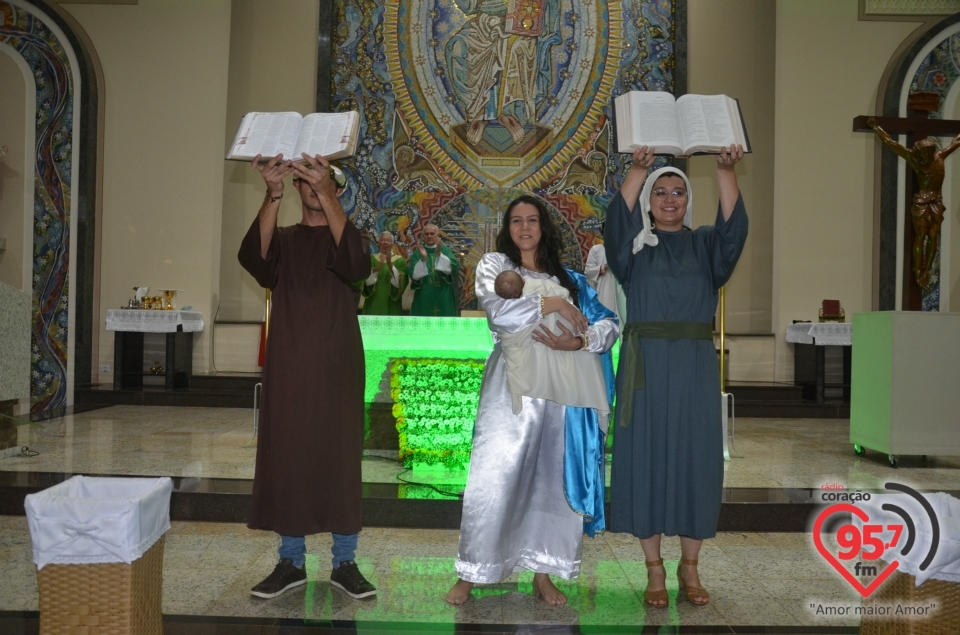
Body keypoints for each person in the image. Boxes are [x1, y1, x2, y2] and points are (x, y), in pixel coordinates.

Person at [446, 195, 619, 607]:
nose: (525, 228)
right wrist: (552, 303)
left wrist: (577, 340)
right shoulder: (495, 267)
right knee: (496, 476)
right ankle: (472, 573)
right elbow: (499, 315)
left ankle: (543, 573)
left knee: (550, 483)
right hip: (513, 388)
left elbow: (610, 324)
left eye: (533, 220)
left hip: (564, 393)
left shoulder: (574, 279)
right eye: (517, 221)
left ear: (544, 227)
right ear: (508, 229)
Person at [605, 144, 747, 608]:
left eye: (678, 193)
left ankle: (690, 565)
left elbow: (734, 232)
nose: (669, 200)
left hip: (693, 366)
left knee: (695, 459)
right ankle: (652, 568)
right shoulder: (632, 250)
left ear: (688, 201)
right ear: (648, 200)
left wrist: (725, 170)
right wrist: (637, 168)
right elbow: (615, 223)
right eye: (660, 192)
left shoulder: (705, 245)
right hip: (644, 366)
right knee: (645, 457)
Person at [238, 152, 376, 600]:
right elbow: (254, 260)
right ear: (297, 188)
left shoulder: (348, 237)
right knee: (290, 454)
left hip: (338, 364)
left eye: (325, 183)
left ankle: (346, 561)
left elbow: (356, 267)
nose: (315, 189)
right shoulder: (284, 238)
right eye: (308, 183)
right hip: (290, 363)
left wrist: (328, 192)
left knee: (338, 455)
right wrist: (273, 192)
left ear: (337, 190)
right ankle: (291, 560)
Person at [493, 270, 611, 419]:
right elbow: (498, 317)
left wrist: (580, 342)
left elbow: (609, 324)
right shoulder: (531, 289)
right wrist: (556, 303)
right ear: (523, 280)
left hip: (562, 371)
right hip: (536, 389)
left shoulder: (571, 279)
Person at [867, 117, 960, 288]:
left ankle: (927, 270)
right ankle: (918, 269)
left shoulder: (939, 157)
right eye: (921, 153)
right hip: (921, 203)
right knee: (921, 236)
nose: (924, 155)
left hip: (936, 202)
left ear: (932, 151)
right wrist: (877, 128)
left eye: (927, 152)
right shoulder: (915, 160)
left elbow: (956, 141)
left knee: (933, 236)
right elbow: (892, 144)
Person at [409, 223, 459, 316]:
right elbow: (413, 275)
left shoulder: (445, 250)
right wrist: (423, 259)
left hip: (443, 295)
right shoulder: (418, 253)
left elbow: (452, 268)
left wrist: (439, 253)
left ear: (437, 235)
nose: (429, 236)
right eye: (426, 234)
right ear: (423, 236)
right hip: (424, 295)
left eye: (432, 234)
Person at [583, 228, 626, 324]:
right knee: (605, 320)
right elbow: (588, 272)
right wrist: (605, 267)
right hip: (603, 290)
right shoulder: (596, 249)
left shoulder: (624, 249)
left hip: (621, 288)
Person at [361, 231, 407, 315]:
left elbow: (401, 283)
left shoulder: (400, 260)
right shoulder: (371, 259)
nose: (385, 242)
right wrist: (378, 267)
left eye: (388, 240)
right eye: (382, 240)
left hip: (391, 302)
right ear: (378, 243)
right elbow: (365, 281)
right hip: (374, 299)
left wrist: (390, 265)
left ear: (392, 243)